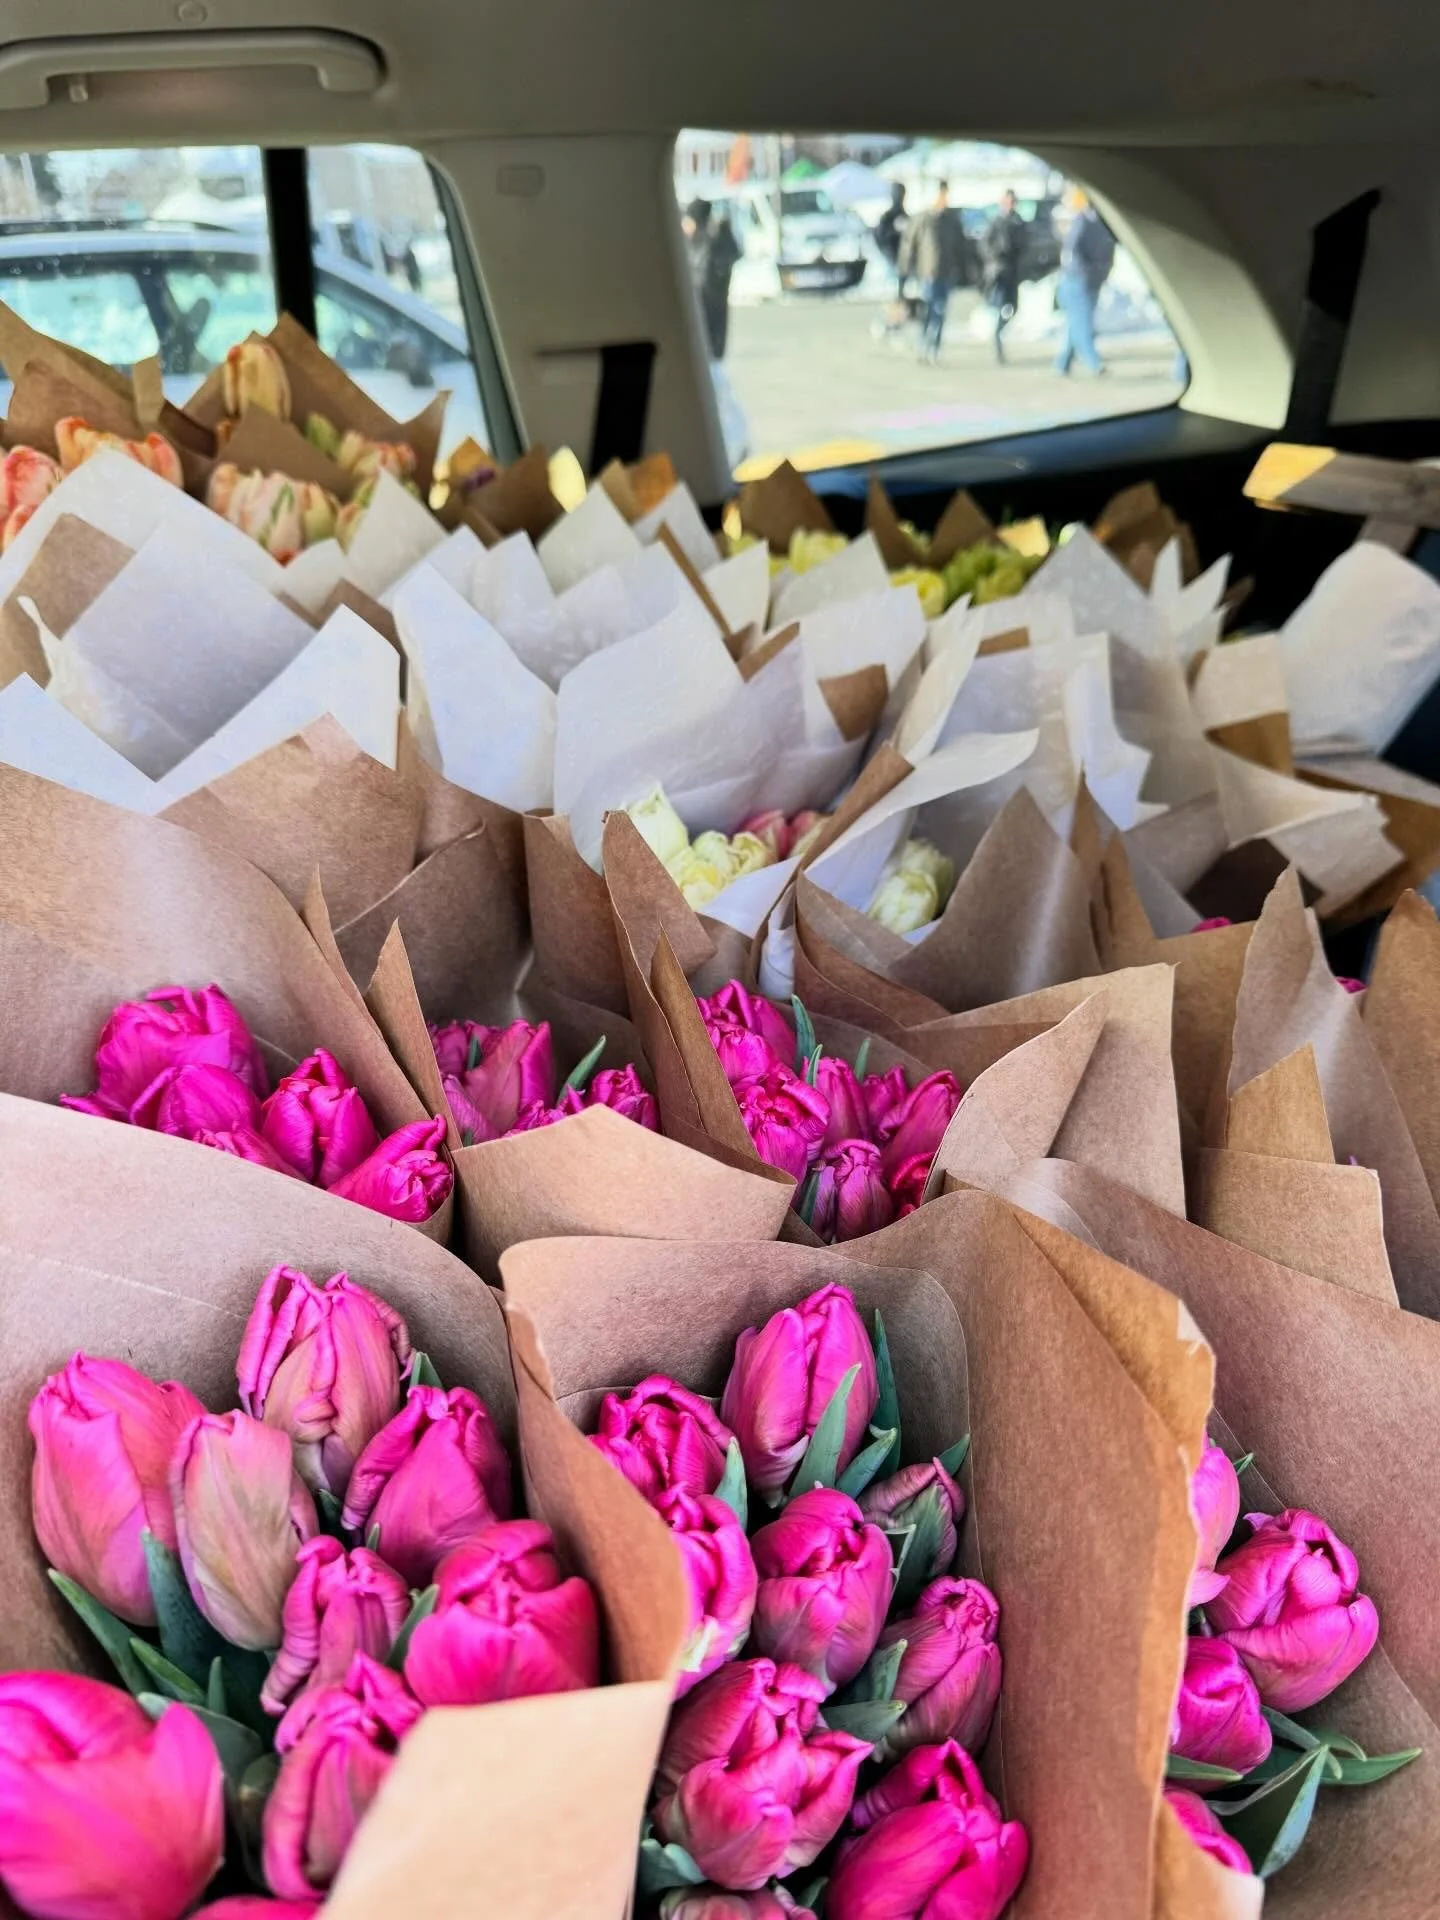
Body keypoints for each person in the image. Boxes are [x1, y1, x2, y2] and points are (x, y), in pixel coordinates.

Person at [899, 180, 966, 364]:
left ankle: (935, 347)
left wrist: (962, 270)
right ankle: (923, 346)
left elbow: (961, 246)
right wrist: (906, 271)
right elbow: (909, 246)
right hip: (927, 274)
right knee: (927, 312)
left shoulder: (951, 220)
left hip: (946, 273)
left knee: (940, 312)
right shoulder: (922, 219)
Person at [1054, 187, 1116, 377]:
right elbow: (1072, 252)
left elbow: (1108, 250)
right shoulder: (1082, 221)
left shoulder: (1100, 223)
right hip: (1076, 280)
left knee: (1075, 324)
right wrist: (1087, 272)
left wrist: (1103, 272)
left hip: (1092, 280)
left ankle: (1061, 363)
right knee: (1083, 324)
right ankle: (1094, 363)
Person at [688, 200, 741, 361]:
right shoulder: (710, 238)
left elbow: (702, 274)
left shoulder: (706, 241)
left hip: (707, 303)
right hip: (713, 304)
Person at [981, 187, 1026, 364]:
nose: (1010, 205)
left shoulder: (1018, 222)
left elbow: (1024, 244)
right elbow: (984, 243)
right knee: (999, 304)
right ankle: (997, 341)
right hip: (999, 271)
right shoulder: (996, 221)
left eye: (1013, 202)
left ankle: (999, 331)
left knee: (1013, 307)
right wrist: (994, 256)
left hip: (1013, 272)